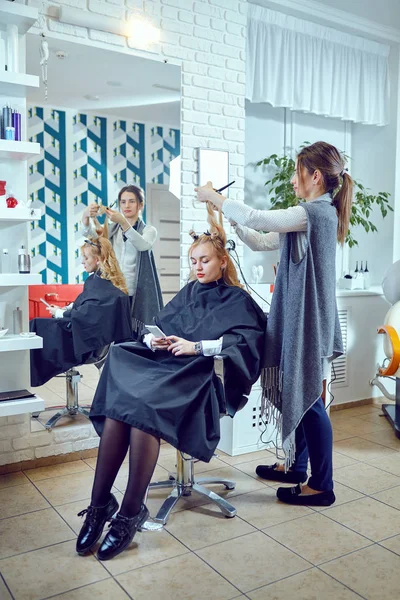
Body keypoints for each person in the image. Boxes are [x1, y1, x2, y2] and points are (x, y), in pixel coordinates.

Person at [75, 205, 266, 561]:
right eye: (194, 261)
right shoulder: (190, 291)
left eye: (205, 260)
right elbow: (160, 324)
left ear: (223, 261)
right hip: (168, 368)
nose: (198, 267)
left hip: (200, 380)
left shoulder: (237, 300)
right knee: (121, 369)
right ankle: (99, 505)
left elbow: (246, 344)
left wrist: (196, 347)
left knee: (141, 408)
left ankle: (130, 511)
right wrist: (155, 340)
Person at [196, 141, 352, 507]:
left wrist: (214, 197)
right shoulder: (308, 215)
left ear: (315, 176)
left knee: (309, 397)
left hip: (309, 324)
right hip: (300, 320)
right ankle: (297, 467)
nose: (293, 181)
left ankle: (322, 485)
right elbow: (263, 239)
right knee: (295, 390)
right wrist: (228, 220)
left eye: (298, 173)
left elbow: (261, 219)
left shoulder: (315, 212)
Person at [30, 238, 132, 387]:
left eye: (86, 257)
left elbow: (87, 315)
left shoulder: (99, 284)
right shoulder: (102, 283)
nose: (82, 261)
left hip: (87, 346)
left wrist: (59, 313)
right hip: (91, 340)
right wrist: (67, 309)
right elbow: (87, 304)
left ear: (97, 260)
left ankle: (24, 376)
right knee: (39, 326)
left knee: (36, 326)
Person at [81, 184, 163, 337]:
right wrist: (86, 217)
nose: (127, 205)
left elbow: (142, 245)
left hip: (136, 290)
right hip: (113, 289)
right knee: (114, 332)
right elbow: (90, 236)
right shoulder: (112, 230)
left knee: (134, 333)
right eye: (123, 202)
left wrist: (123, 222)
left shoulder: (149, 230)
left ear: (140, 204)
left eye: (131, 201)